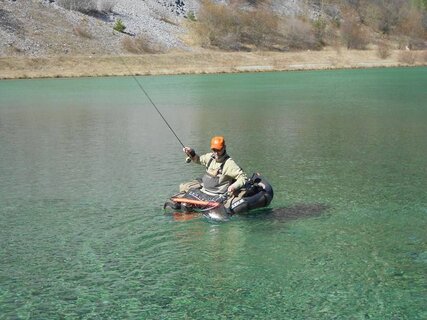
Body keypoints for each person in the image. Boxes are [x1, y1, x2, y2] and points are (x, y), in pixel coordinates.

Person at [182, 136, 248, 196]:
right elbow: (198, 159)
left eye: (218, 150)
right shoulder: (209, 157)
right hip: (204, 191)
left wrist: (233, 186)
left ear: (224, 147)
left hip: (217, 195)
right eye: (214, 150)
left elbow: (243, 177)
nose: (216, 153)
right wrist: (191, 153)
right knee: (183, 187)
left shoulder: (229, 163)